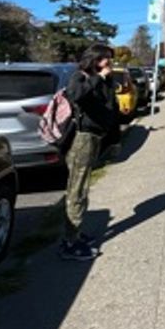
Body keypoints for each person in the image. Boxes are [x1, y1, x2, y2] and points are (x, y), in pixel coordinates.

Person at [60, 43, 119, 261]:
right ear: (96, 60)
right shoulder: (80, 77)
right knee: (77, 189)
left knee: (83, 187)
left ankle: (76, 232)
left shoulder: (103, 80)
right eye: (106, 60)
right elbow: (77, 95)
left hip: (96, 138)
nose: (109, 64)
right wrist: (100, 78)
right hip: (81, 139)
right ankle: (69, 242)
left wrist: (114, 140)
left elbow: (109, 108)